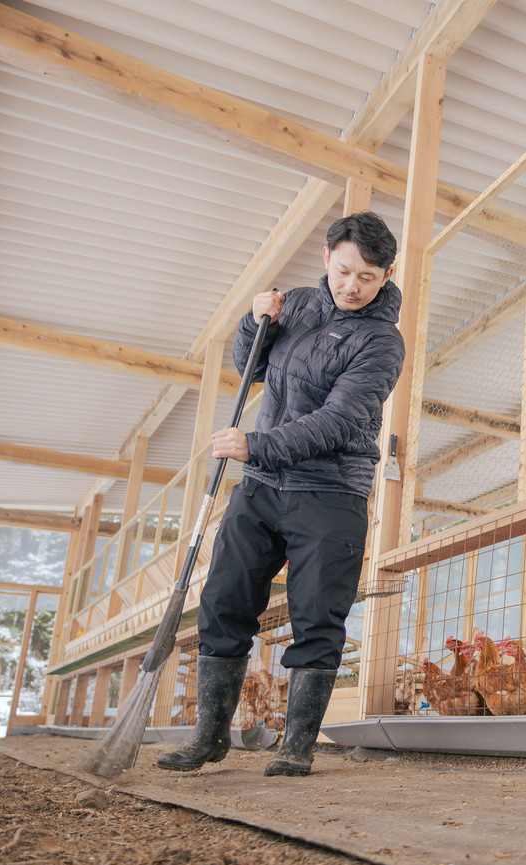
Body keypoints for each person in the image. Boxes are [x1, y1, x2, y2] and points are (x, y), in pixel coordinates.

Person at [157, 212, 405, 777]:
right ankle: (210, 737)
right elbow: (252, 367)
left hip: (330, 492)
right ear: (326, 258)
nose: (352, 286)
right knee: (223, 602)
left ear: (387, 275)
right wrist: (255, 323)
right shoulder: (296, 303)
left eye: (368, 277)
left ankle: (296, 746)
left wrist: (256, 445)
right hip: (263, 486)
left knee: (317, 615)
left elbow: (340, 421)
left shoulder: (383, 343)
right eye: (344, 271)